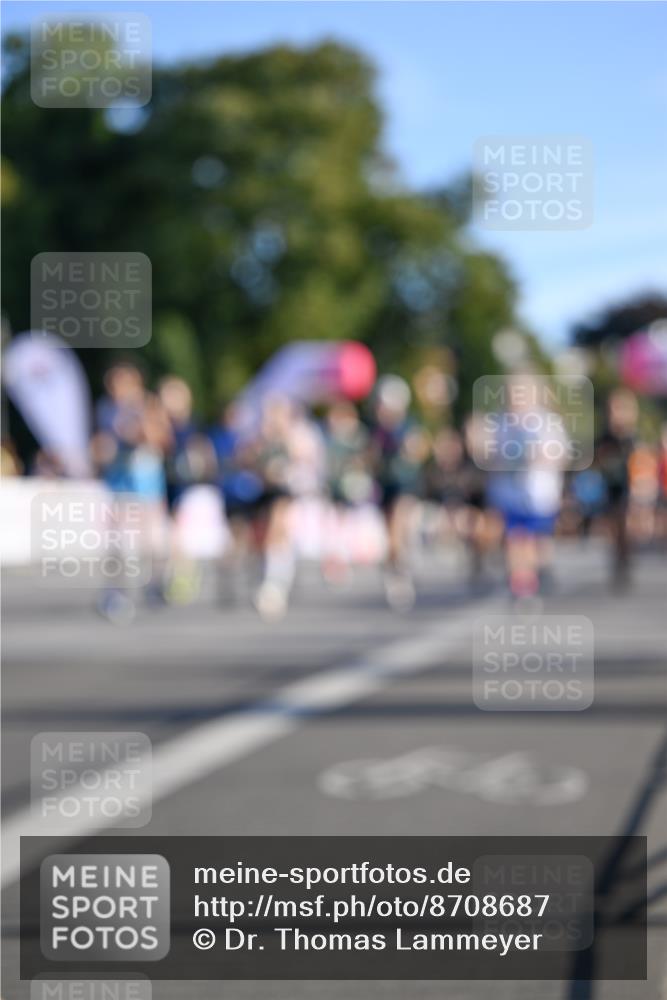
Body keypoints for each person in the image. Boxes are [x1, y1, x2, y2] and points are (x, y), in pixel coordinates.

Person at [486, 373, 569, 601]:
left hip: (539, 493)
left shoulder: (547, 422)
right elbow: (492, 455)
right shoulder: (500, 422)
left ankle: (539, 572)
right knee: (516, 538)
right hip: (510, 493)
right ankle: (521, 583)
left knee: (537, 541)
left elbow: (560, 453)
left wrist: (537, 456)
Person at [370, 375, 428, 611]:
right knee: (390, 537)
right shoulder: (377, 431)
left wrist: (409, 449)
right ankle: (398, 570)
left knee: (398, 527)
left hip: (406, 486)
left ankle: (402, 568)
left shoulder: (408, 426)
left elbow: (419, 449)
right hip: (386, 486)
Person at [596, 388, 638, 589]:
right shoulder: (605, 436)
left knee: (625, 524)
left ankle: (624, 556)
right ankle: (618, 558)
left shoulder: (632, 436)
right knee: (613, 526)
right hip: (609, 487)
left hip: (628, 487)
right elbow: (597, 460)